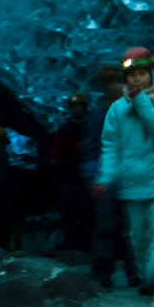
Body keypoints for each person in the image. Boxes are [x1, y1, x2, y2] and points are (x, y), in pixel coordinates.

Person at [95, 47, 154, 295]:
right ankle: (150, 275)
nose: (137, 79)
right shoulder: (117, 109)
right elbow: (111, 145)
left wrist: (143, 104)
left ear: (153, 74)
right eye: (132, 75)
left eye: (142, 73)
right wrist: (105, 177)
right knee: (139, 235)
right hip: (132, 184)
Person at [84, 65, 140, 289]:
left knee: (130, 229)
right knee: (110, 228)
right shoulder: (100, 116)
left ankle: (130, 271)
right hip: (110, 181)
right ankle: (105, 271)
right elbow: (93, 148)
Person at [50, 92, 94, 255]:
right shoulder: (64, 130)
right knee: (69, 210)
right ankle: (72, 242)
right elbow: (56, 152)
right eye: (73, 107)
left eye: (78, 106)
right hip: (70, 175)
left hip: (88, 175)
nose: (76, 109)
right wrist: (58, 163)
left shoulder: (92, 127)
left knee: (87, 211)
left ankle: (85, 243)